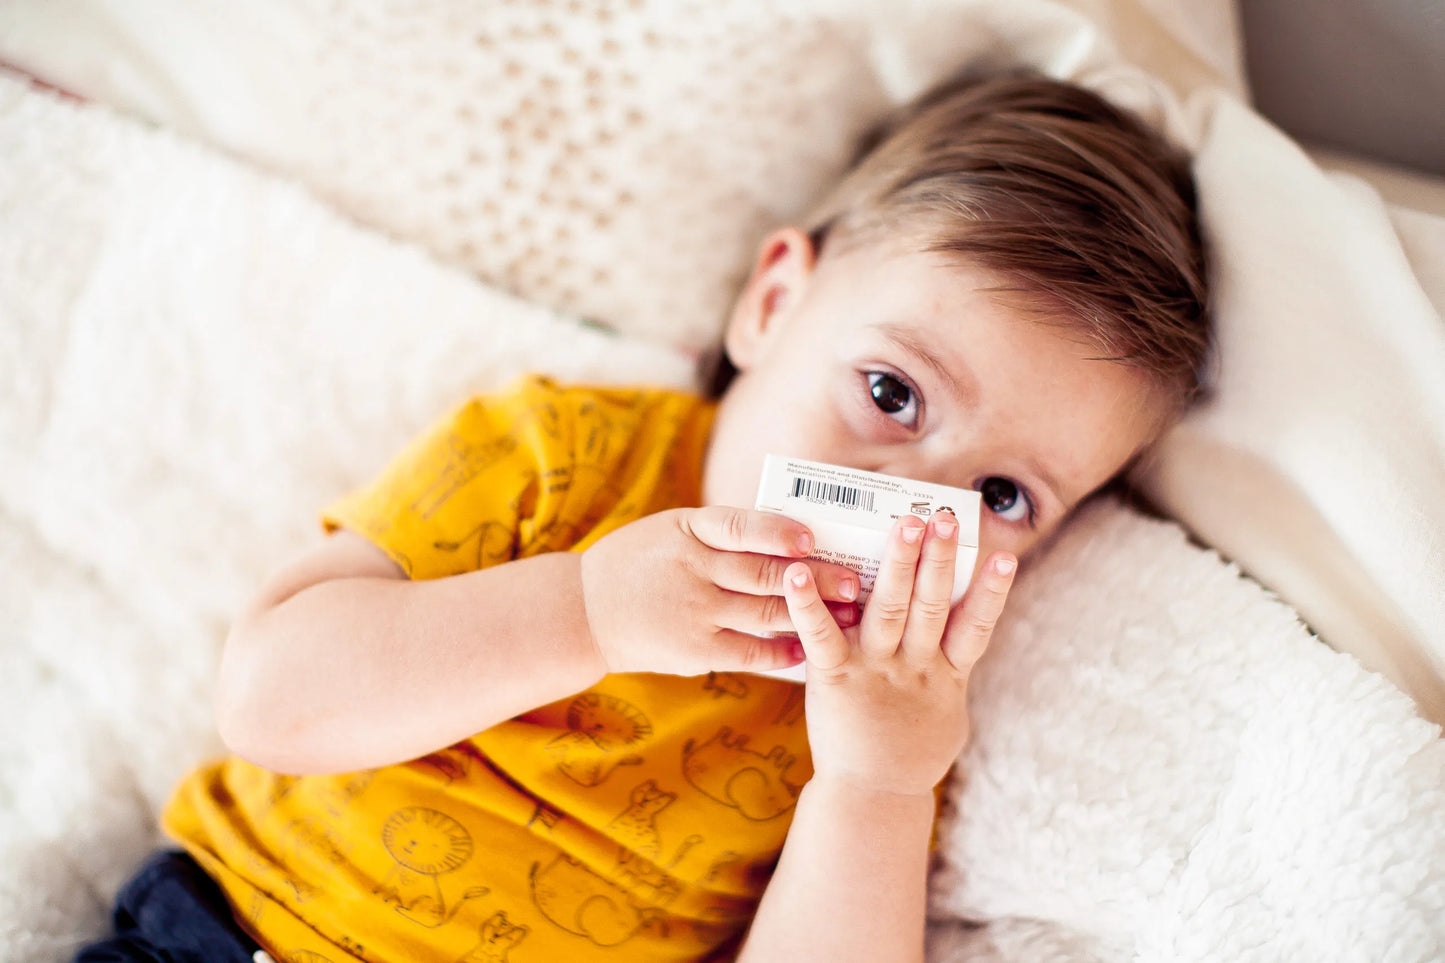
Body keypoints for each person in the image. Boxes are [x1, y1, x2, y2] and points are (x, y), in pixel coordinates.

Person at [75, 71, 1208, 963]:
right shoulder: (564, 457)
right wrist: (584, 612)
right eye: (890, 396)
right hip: (239, 936)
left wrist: (872, 789)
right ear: (773, 306)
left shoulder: (892, 706)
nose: (911, 510)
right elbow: (271, 704)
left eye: (1000, 498)